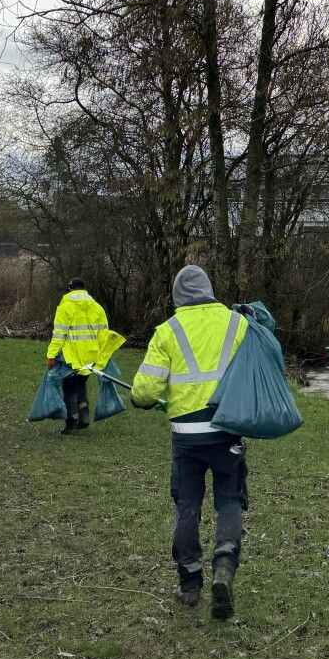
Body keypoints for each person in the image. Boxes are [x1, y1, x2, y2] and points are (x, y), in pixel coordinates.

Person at [132, 264, 250, 620]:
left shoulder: (168, 331)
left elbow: (145, 392)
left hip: (186, 438)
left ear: (177, 295)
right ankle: (225, 566)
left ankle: (189, 583)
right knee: (229, 499)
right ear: (210, 289)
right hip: (227, 431)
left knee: (188, 506)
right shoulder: (237, 323)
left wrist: (146, 398)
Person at [46, 278, 122, 434]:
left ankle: (71, 422)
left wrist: (51, 355)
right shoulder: (97, 307)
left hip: (71, 356)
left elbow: (59, 334)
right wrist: (102, 356)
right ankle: (84, 416)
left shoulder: (65, 307)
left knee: (69, 388)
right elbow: (103, 335)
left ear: (70, 290)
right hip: (91, 356)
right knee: (80, 384)